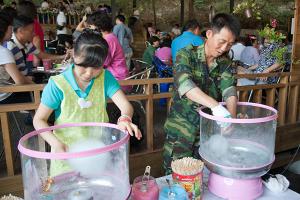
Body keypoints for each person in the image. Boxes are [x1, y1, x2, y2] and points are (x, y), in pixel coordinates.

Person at [33, 30, 142, 176]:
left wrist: (125, 118)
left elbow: (125, 106)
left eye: (96, 67)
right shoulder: (58, 84)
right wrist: (55, 142)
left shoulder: (105, 77)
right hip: (66, 155)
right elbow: (39, 119)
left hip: (98, 153)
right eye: (83, 65)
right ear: (74, 56)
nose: (89, 73)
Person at [163, 13, 240, 174]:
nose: (224, 48)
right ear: (209, 34)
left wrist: (230, 118)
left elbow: (229, 89)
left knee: (203, 177)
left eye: (230, 44)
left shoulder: (225, 62)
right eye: (222, 42)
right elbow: (185, 85)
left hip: (208, 133)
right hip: (181, 129)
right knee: (176, 176)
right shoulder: (186, 54)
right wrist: (216, 106)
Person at [0, 12, 34, 104]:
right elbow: (19, 80)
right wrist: (36, 85)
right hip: (4, 96)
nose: (12, 31)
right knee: (38, 96)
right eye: (10, 28)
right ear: (3, 29)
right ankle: (35, 118)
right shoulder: (4, 51)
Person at [86, 12, 129, 81]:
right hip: (116, 76)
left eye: (90, 26)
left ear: (97, 26)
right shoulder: (110, 37)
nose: (90, 29)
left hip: (117, 80)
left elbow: (103, 62)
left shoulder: (108, 40)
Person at [17, 1, 45, 68]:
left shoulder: (30, 24)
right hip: (32, 57)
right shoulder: (33, 23)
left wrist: (36, 61)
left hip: (32, 59)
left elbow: (36, 40)